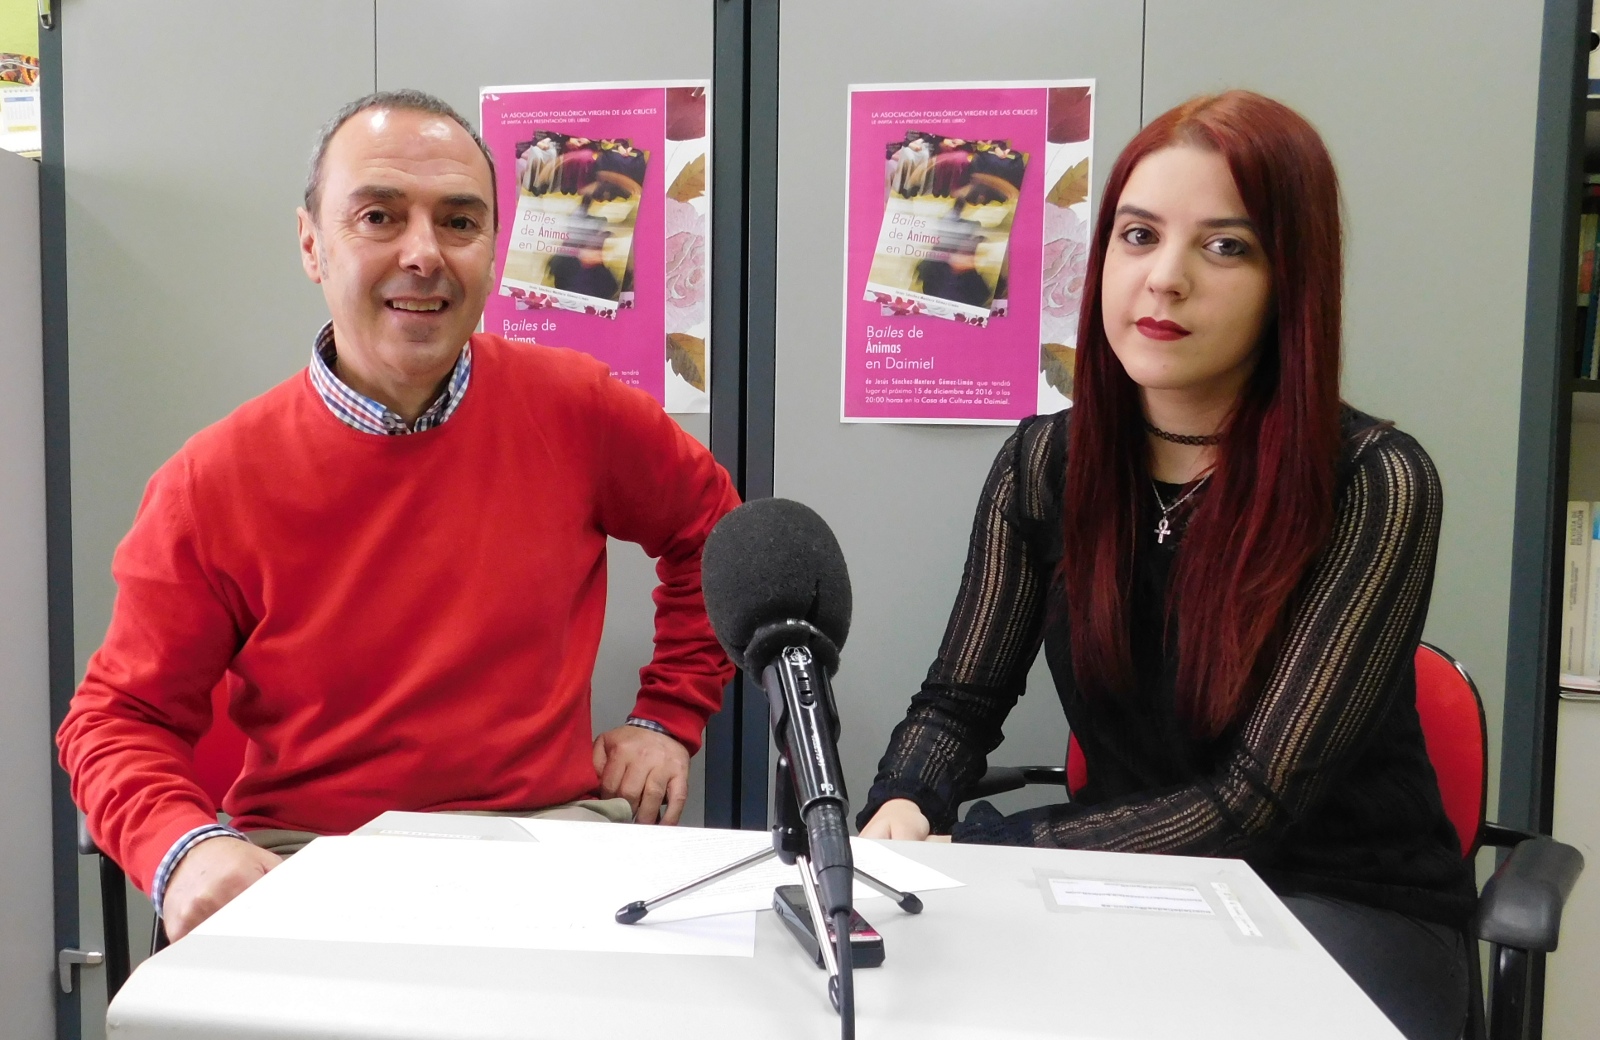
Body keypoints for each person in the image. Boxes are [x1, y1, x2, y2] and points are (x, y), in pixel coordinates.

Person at [858, 91, 1474, 1040]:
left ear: (1291, 281)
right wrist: (907, 798)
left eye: (1225, 247)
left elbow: (1256, 800)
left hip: (1339, 900)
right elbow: (958, 702)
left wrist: (991, 848)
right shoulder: (1046, 464)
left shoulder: (1373, 481)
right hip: (1123, 885)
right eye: (1139, 236)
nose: (1165, 279)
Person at [56, 90, 739, 942]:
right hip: (309, 863)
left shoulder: (578, 410)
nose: (424, 254)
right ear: (311, 243)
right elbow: (118, 719)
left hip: (543, 843)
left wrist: (666, 717)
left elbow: (721, 539)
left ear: (493, 249)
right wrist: (183, 848)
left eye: (460, 222)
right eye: (378, 216)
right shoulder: (210, 483)